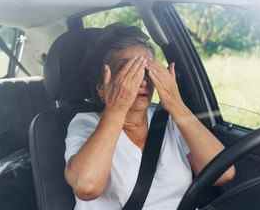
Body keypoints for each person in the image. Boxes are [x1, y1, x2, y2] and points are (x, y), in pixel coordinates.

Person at [64, 23, 235, 210]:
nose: (142, 81)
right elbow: (87, 186)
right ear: (101, 87)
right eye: (128, 71)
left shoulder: (168, 120)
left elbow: (223, 173)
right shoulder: (85, 123)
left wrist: (176, 104)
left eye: (147, 71)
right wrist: (116, 110)